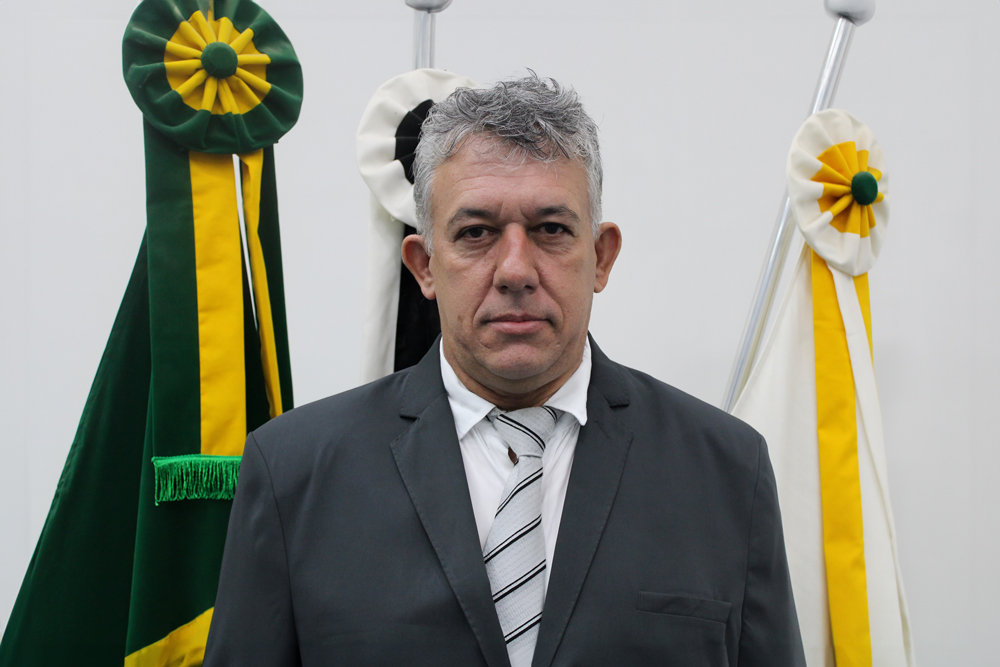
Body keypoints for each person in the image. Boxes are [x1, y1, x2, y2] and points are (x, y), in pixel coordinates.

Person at [204, 75, 805, 667]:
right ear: (424, 265)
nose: (515, 269)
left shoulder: (728, 471)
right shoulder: (293, 475)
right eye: (476, 233)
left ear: (601, 257)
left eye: (551, 230)